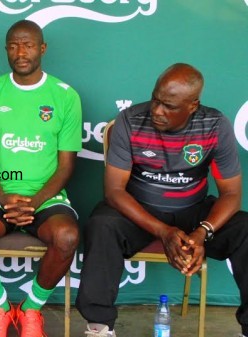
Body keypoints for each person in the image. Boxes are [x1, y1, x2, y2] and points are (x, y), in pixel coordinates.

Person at [76, 63, 248, 337]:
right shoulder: (130, 120)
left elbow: (231, 194)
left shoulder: (215, 125)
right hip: (139, 210)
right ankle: (99, 326)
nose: (157, 110)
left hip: (194, 210)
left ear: (193, 105)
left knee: (245, 229)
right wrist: (163, 231)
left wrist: (202, 233)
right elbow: (115, 192)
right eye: (156, 99)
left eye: (169, 106)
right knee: (102, 223)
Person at [0, 20, 82, 337]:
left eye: (28, 45)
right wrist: (4, 199)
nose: (21, 52)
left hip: (46, 198)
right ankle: (0, 309)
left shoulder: (65, 96)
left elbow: (66, 165)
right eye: (14, 45)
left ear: (42, 48)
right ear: (6, 50)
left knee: (67, 237)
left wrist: (32, 204)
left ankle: (30, 310)